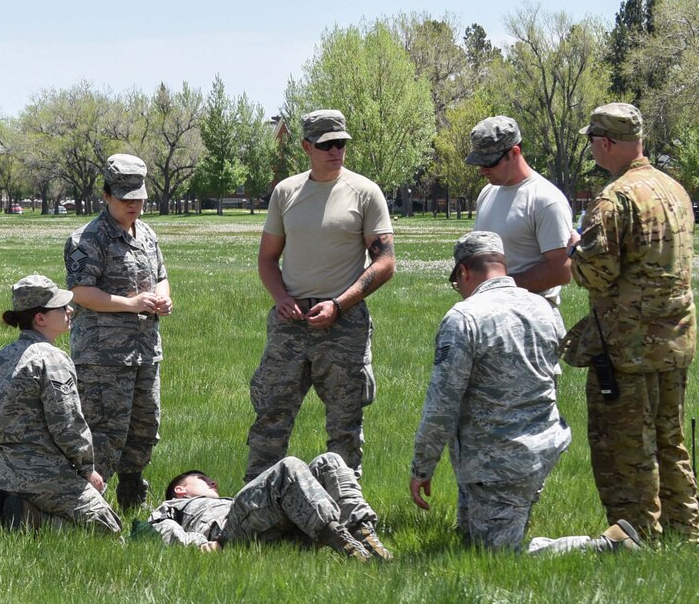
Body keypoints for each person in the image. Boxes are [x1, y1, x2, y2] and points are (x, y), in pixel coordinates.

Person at [410, 231, 643, 555]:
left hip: (498, 460)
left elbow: (441, 405)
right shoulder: (543, 308)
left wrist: (422, 468)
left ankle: (606, 546)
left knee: (496, 555)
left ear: (464, 272)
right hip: (540, 446)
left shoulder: (464, 318)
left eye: (457, 283)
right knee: (469, 540)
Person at [563, 102, 697, 541]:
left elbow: (596, 271)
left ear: (605, 143)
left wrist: (573, 253)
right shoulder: (673, 189)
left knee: (625, 446)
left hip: (628, 347)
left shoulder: (614, 198)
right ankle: (686, 530)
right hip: (675, 341)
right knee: (669, 438)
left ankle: (636, 534)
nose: (591, 149)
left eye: (592, 141)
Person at [246, 109, 395, 481]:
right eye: (327, 144)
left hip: (344, 324)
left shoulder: (365, 192)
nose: (336, 151)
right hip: (290, 325)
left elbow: (385, 262)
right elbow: (267, 259)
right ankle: (257, 505)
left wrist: (340, 305)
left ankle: (346, 510)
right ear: (306, 147)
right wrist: (281, 297)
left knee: (345, 425)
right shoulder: (286, 193)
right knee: (270, 419)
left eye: (341, 143)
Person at [64, 154, 171, 509]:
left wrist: (163, 298)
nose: (133, 205)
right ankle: (87, 508)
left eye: (138, 199)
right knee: (104, 435)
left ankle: (131, 502)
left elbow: (160, 276)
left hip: (145, 352)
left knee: (144, 429)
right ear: (106, 196)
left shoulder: (147, 234)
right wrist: (133, 304)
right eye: (125, 199)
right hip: (103, 358)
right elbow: (80, 293)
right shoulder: (87, 239)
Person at [0, 274, 121, 536]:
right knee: (108, 530)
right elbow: (67, 423)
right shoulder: (52, 358)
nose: (70, 310)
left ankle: (12, 509)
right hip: (44, 471)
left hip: (4, 470)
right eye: (60, 307)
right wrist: (86, 469)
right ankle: (33, 521)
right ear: (40, 318)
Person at [148, 459, 385, 560]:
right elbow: (160, 527)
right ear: (180, 489)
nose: (213, 482)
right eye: (203, 479)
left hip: (284, 532)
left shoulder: (227, 500)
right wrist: (198, 544)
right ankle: (342, 539)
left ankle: (364, 535)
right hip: (229, 538)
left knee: (328, 461)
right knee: (288, 466)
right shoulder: (173, 505)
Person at [467, 116, 573, 306]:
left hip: (532, 317)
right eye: (479, 163)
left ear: (514, 152)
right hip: (488, 310)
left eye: (489, 162)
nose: (482, 170)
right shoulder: (487, 193)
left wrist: (500, 287)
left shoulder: (546, 199)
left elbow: (562, 270)